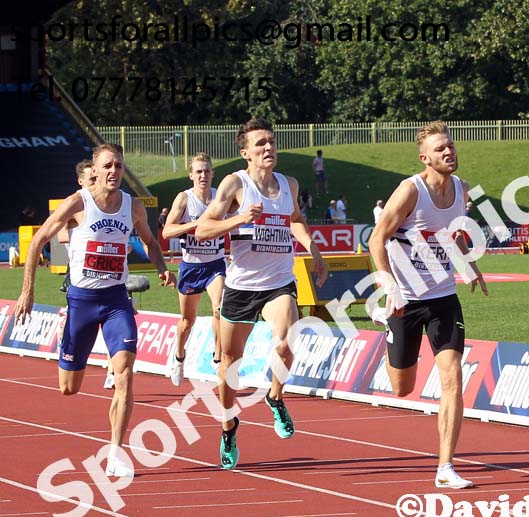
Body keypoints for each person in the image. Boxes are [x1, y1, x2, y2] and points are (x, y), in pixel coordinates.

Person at [13, 143, 176, 477]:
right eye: (108, 166)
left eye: (118, 165)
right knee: (68, 388)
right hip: (81, 302)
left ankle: (116, 450)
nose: (114, 171)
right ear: (96, 170)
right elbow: (40, 239)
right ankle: (72, 338)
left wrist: (160, 265)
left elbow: (148, 239)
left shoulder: (131, 206)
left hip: (116, 300)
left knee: (126, 374)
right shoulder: (78, 202)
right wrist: (27, 291)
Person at [196, 118, 328, 470]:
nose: (268, 148)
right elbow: (205, 229)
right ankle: (228, 427)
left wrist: (312, 249)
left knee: (286, 342)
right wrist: (238, 219)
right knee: (229, 367)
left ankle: (275, 396)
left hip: (279, 283)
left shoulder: (289, 184)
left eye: (271, 142)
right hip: (241, 288)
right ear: (246, 154)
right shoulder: (234, 184)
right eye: (260, 145)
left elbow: (296, 218)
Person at [368, 121, 488, 489]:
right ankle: (385, 325)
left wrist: (469, 265)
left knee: (452, 377)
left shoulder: (461, 190)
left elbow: (452, 236)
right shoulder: (409, 191)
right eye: (440, 149)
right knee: (401, 387)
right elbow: (376, 240)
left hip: (442, 298)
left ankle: (446, 467)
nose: (448, 152)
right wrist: (389, 286)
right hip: (404, 300)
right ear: (424, 158)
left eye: (450, 146)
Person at [162, 153, 226, 387]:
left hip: (216, 264)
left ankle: (218, 359)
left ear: (212, 174)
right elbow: (167, 232)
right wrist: (196, 225)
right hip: (191, 266)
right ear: (191, 175)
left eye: (207, 171)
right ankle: (179, 357)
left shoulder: (221, 196)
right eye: (198, 171)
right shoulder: (184, 198)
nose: (203, 175)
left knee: (220, 308)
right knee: (187, 321)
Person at [57, 160, 119, 389]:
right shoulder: (74, 204)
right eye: (90, 179)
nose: (95, 182)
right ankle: (66, 342)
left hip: (111, 280)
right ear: (80, 182)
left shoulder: (110, 203)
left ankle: (113, 370)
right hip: (79, 278)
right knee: (68, 388)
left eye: (96, 177)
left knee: (119, 324)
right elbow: (60, 235)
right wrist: (91, 238)